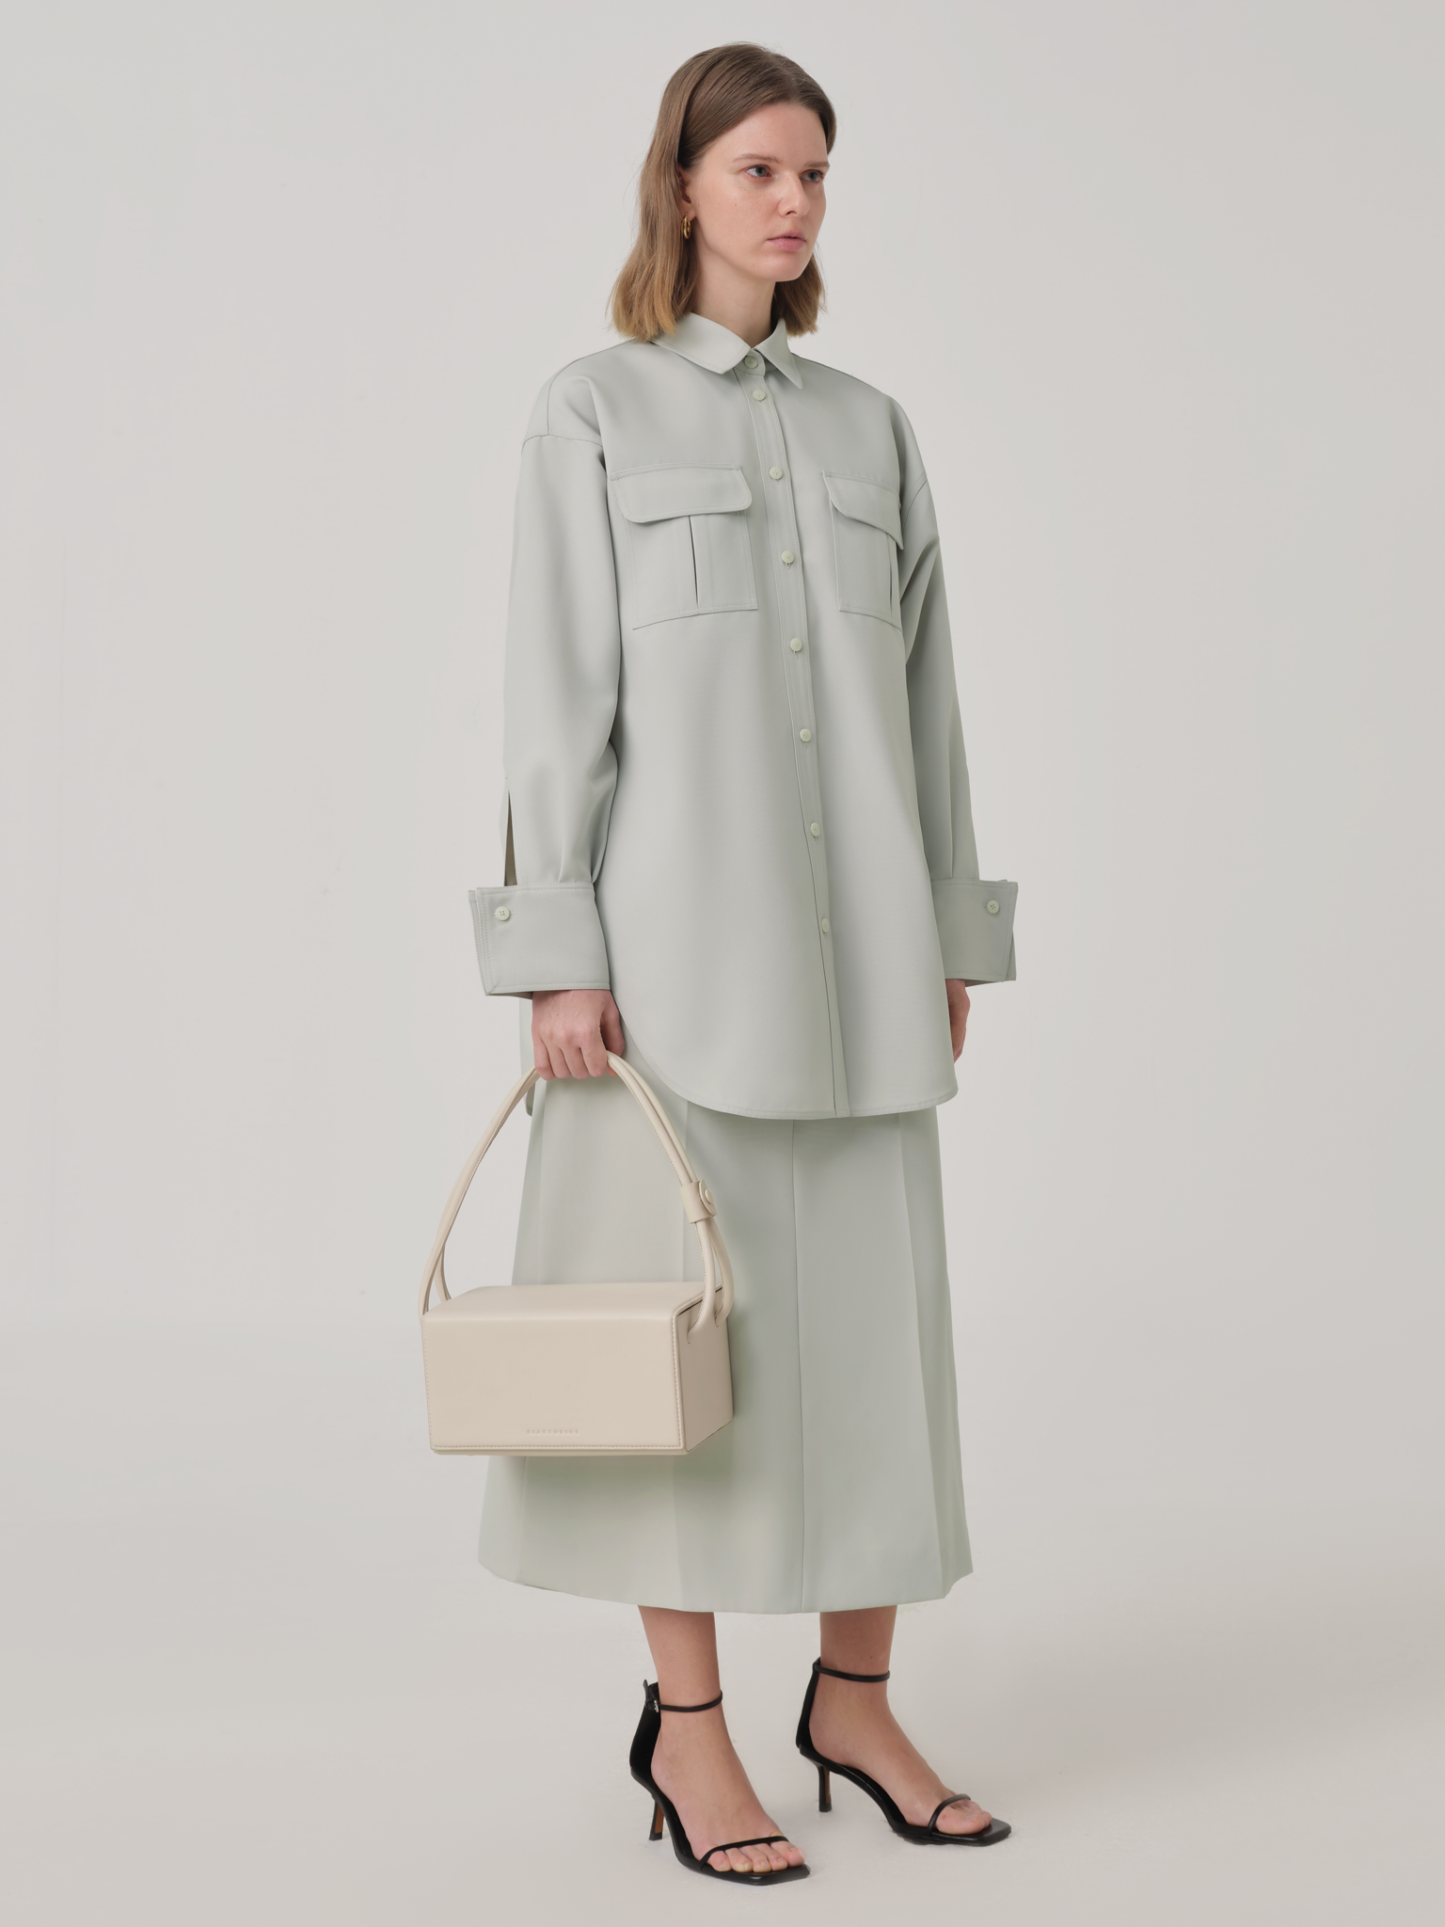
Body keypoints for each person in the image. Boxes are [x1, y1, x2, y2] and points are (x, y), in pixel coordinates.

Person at [468, 43, 1018, 1886]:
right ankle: (690, 1732)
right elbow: (559, 700)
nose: (794, 204)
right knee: (681, 1367)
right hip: (669, 980)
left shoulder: (873, 430)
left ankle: (854, 1701)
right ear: (684, 187)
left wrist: (949, 929)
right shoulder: (593, 411)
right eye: (761, 170)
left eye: (816, 175)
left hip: (869, 972)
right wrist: (556, 952)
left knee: (877, 1353)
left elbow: (929, 709)